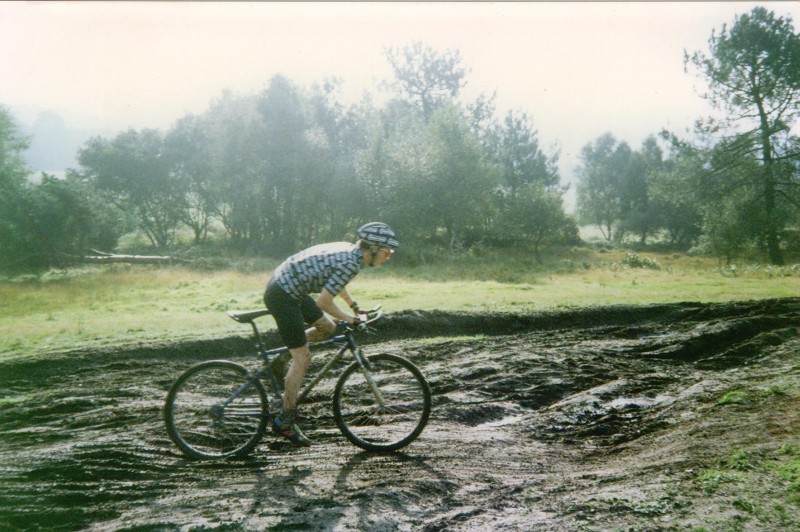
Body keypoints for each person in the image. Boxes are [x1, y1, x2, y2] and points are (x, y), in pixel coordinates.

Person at [263, 222, 398, 446]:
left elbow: (335, 283)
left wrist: (354, 307)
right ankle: (284, 421)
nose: (388, 257)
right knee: (303, 358)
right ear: (373, 249)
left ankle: (280, 361)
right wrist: (351, 319)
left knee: (328, 328)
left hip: (288, 286)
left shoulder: (352, 254)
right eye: (387, 252)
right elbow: (324, 302)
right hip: (284, 295)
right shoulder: (351, 263)